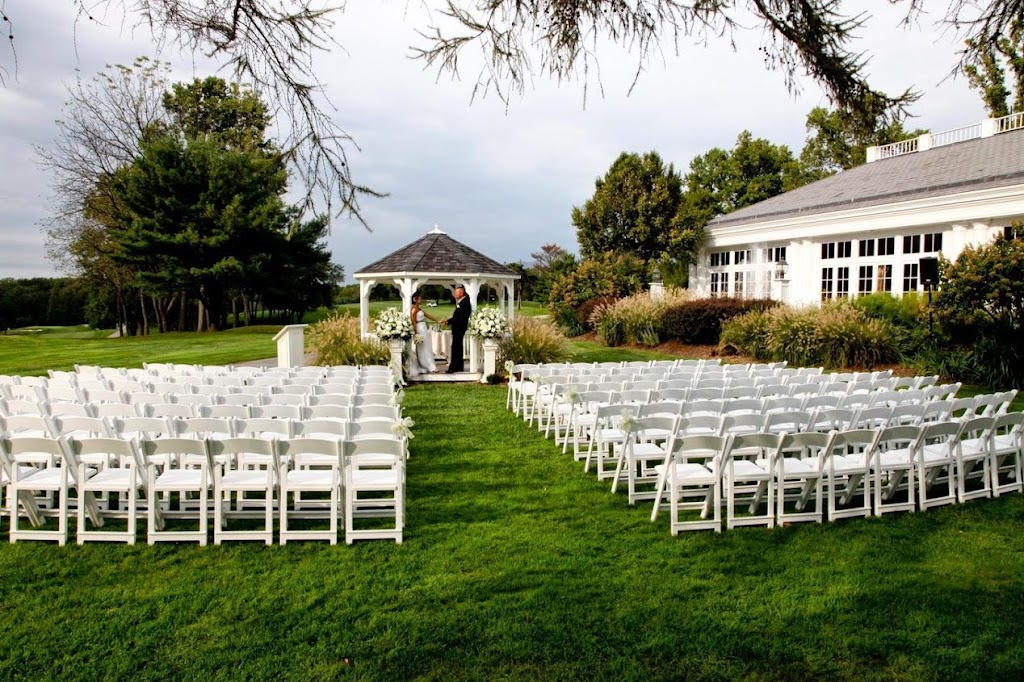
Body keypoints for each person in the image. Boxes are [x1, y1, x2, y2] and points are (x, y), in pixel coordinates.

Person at [442, 284, 472, 373]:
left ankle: (453, 367)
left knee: (456, 347)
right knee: (458, 347)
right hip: (458, 327)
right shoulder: (462, 302)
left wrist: (451, 322)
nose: (455, 294)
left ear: (462, 293)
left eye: (457, 292)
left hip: (459, 328)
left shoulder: (465, 302)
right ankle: (459, 366)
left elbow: (461, 318)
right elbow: (457, 317)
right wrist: (448, 321)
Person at [408, 293, 438, 375]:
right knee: (423, 347)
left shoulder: (419, 308)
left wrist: (436, 320)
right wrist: (416, 332)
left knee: (427, 346)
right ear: (415, 300)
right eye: (420, 299)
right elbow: (413, 321)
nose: (421, 300)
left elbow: (427, 315)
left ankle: (431, 364)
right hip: (419, 327)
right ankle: (428, 365)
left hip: (423, 327)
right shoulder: (414, 309)